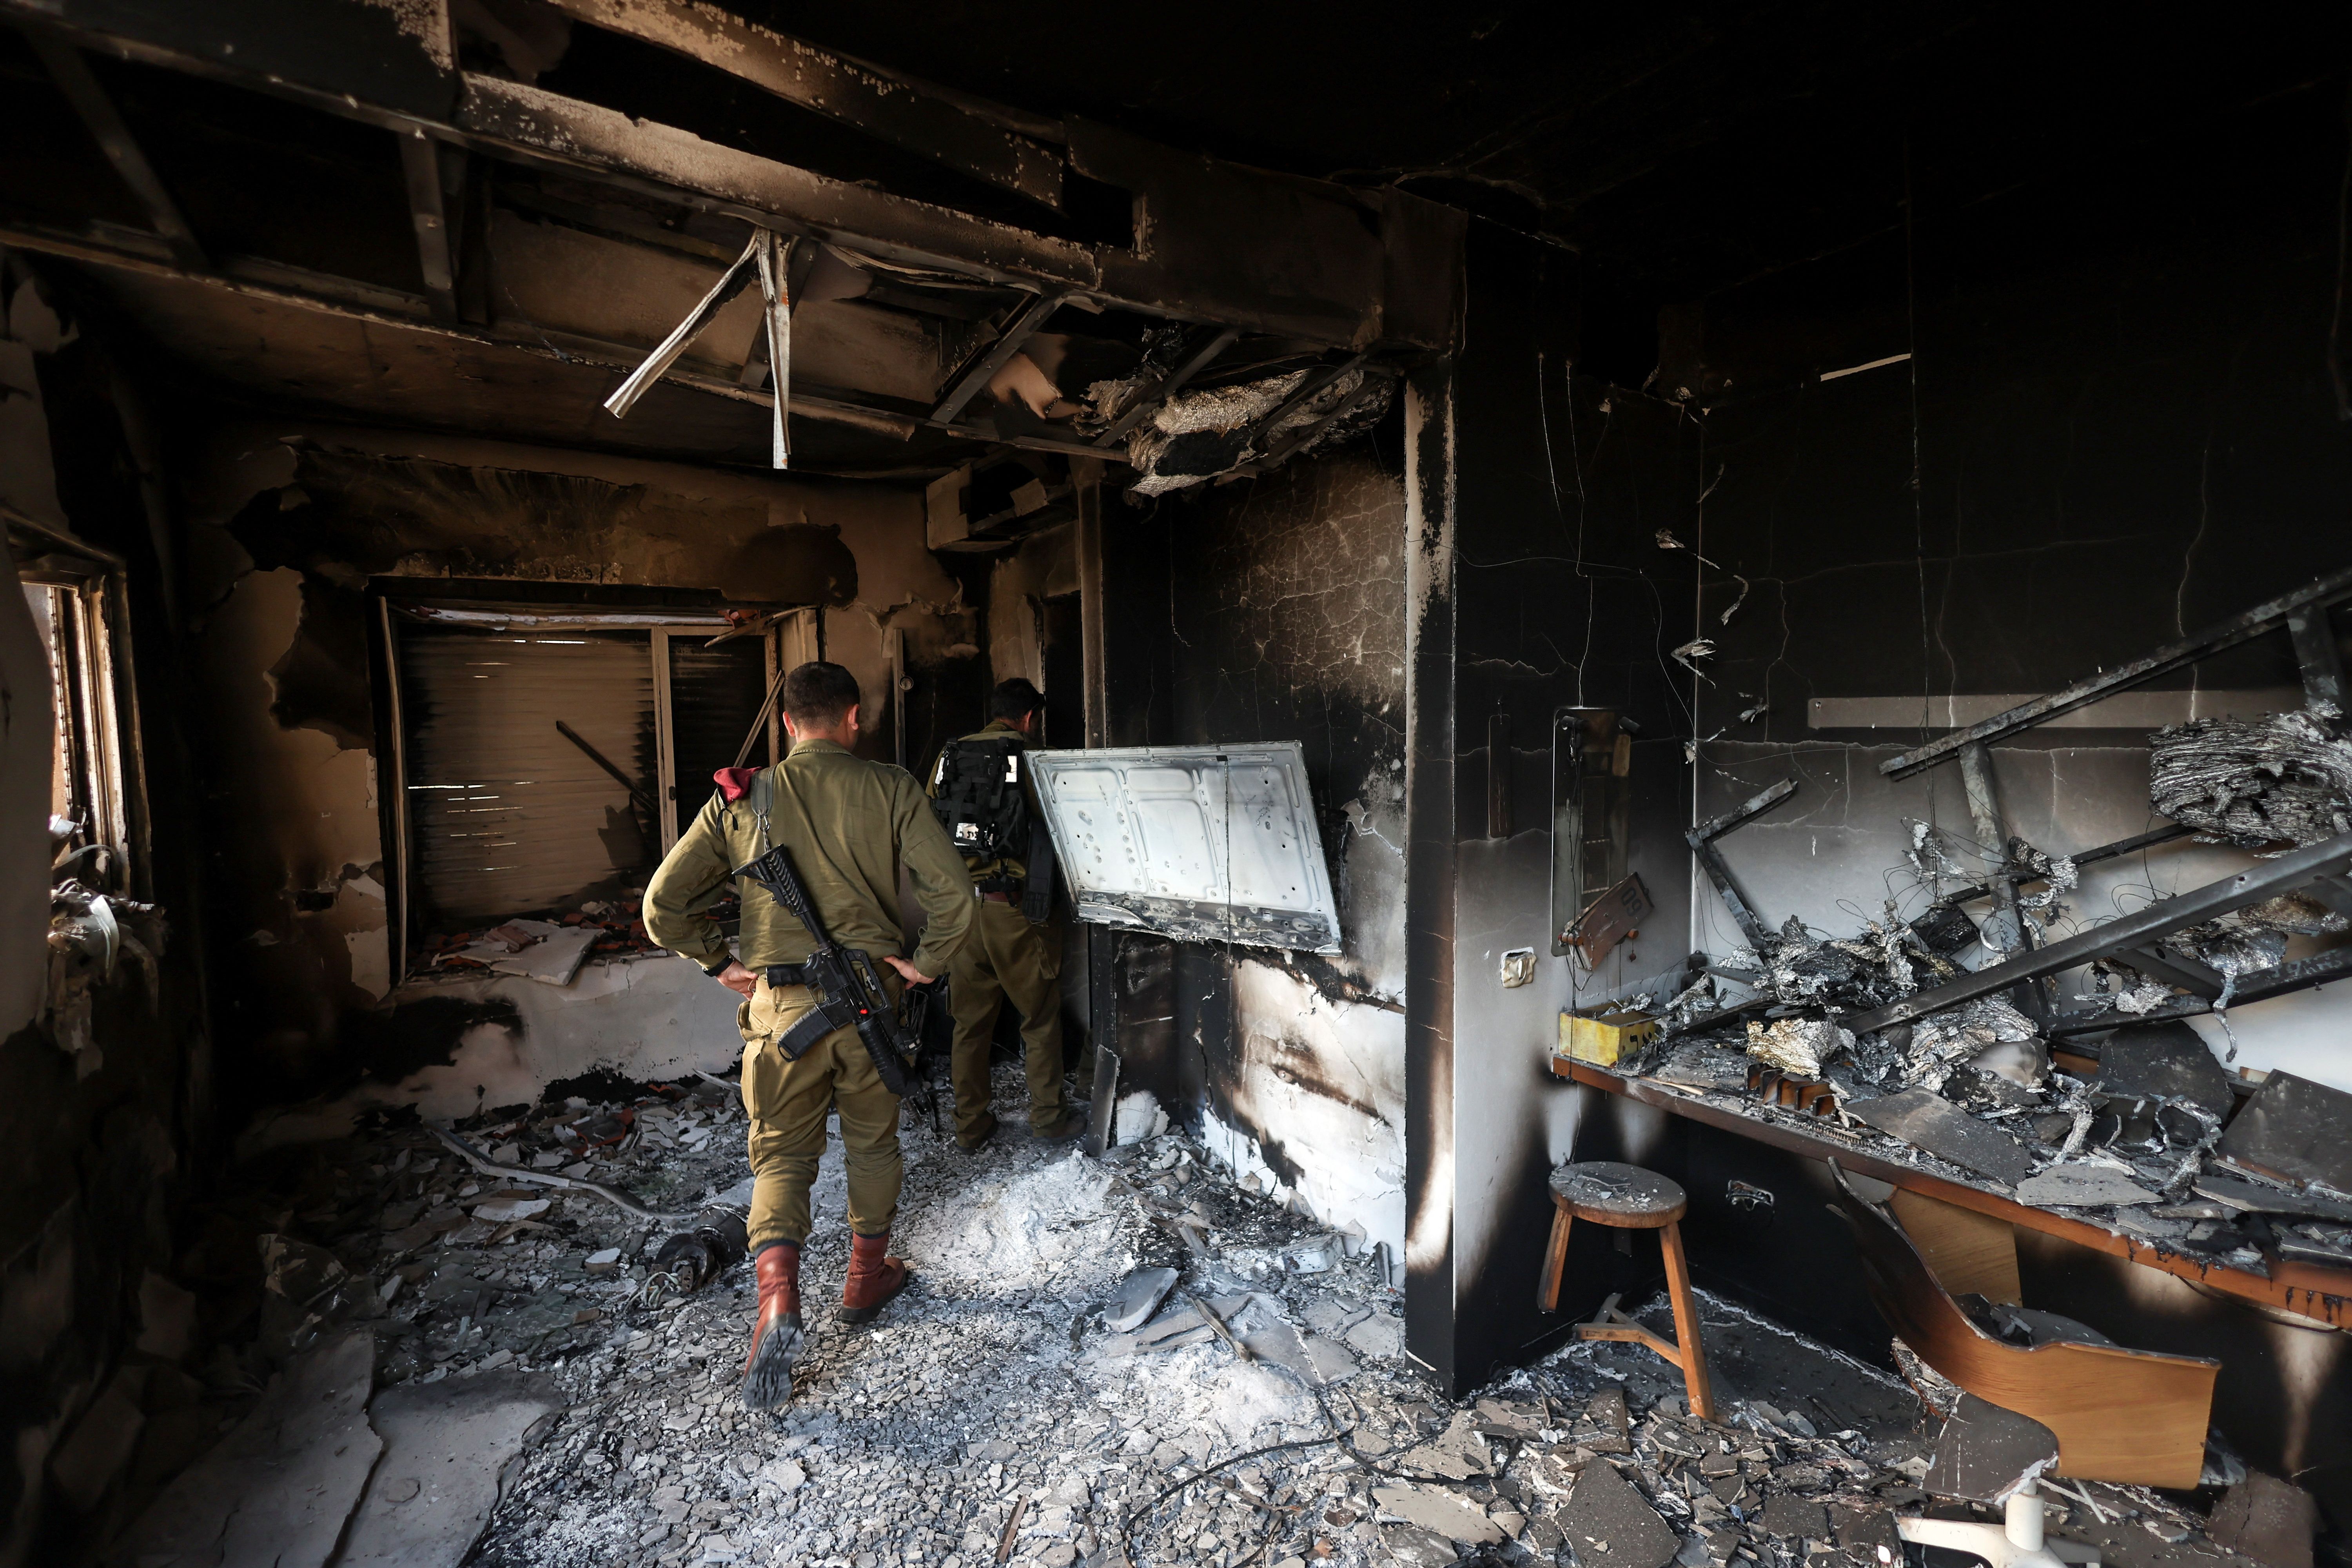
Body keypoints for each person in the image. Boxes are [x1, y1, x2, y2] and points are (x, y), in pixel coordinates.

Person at [644, 660, 974, 1410]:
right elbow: (954, 897)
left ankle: (776, 1304)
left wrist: (718, 961)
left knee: (783, 1158)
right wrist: (923, 967)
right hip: (871, 1005)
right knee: (873, 1145)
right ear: (853, 718)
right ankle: (865, 1278)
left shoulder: (744, 798)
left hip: (780, 1011)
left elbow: (662, 905)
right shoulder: (890, 786)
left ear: (787, 723)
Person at [927, 677, 1086, 1151]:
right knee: (1038, 1017)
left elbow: (929, 823)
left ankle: (970, 1126)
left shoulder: (949, 757)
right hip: (1014, 912)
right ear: (1030, 717)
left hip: (961, 914)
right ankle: (1050, 1120)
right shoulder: (1035, 759)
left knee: (969, 1025)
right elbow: (1068, 826)